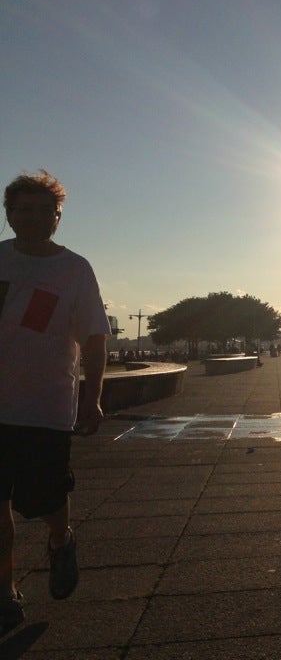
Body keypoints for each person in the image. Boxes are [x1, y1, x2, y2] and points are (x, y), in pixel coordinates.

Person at [0, 170, 111, 631]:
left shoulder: (74, 269)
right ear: (9, 214)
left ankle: (60, 538)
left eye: (47, 211)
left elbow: (95, 337)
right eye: (25, 208)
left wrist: (93, 397)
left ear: (58, 218)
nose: (36, 218)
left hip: (46, 407)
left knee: (45, 499)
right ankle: (5, 594)